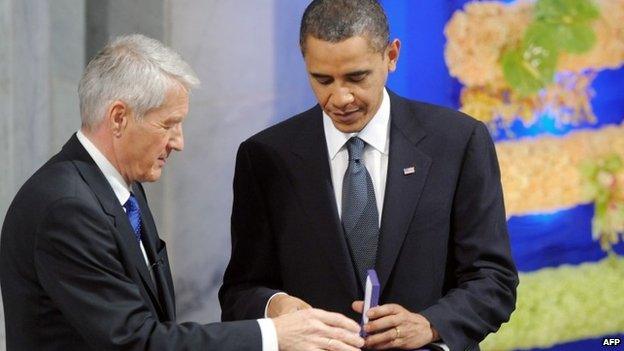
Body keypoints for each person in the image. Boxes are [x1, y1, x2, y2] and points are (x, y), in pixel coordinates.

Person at [0, 34, 365, 351]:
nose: (179, 142)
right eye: (169, 124)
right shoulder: (67, 207)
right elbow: (136, 341)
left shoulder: (119, 189)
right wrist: (273, 336)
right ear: (118, 118)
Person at [219, 1, 519, 350]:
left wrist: (430, 325)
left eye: (356, 77)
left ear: (391, 56)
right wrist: (276, 306)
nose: (340, 97)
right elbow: (240, 292)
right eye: (322, 80)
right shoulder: (266, 157)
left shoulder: (458, 142)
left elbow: (494, 280)